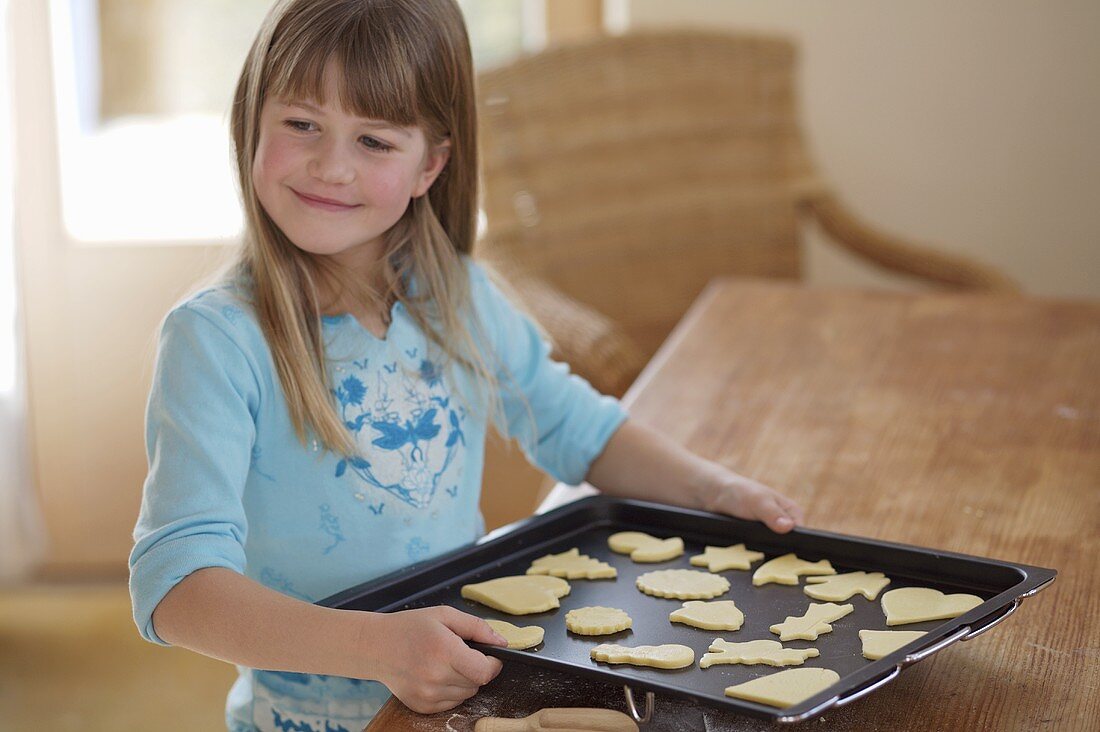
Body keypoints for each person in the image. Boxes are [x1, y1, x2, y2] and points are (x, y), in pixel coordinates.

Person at [128, 1, 805, 730]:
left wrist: (712, 486)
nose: (331, 165)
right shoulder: (217, 340)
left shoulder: (456, 295)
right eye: (302, 124)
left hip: (461, 707)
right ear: (251, 119)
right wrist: (378, 647)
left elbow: (575, 426)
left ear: (432, 164)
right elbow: (177, 590)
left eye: (375, 140)